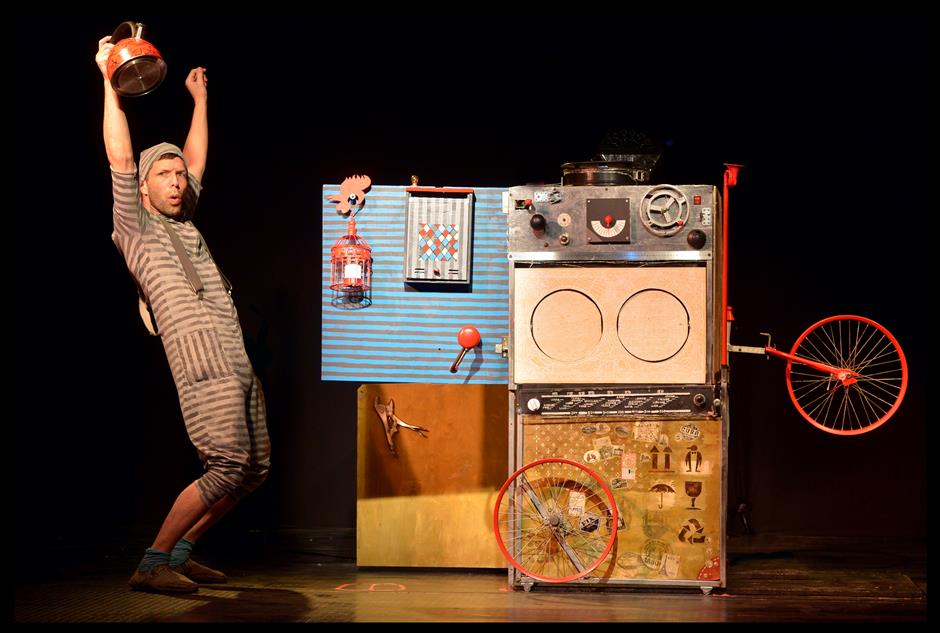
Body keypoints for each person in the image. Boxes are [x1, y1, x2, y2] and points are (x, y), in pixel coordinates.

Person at [96, 35, 271, 594]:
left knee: (254, 469)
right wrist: (109, 83)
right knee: (225, 461)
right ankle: (153, 563)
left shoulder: (185, 221)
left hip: (235, 357)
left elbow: (196, 159)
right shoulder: (137, 228)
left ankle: (183, 552)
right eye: (164, 177)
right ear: (143, 190)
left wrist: (199, 100)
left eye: (178, 177)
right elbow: (120, 158)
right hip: (201, 362)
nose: (176, 182)